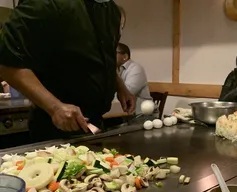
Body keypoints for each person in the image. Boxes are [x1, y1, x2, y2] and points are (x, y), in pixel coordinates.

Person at [0, 0, 135, 142]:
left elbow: (102, 55)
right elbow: (7, 63)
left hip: (94, 122)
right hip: (55, 126)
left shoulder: (110, 10)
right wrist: (55, 107)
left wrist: (120, 86)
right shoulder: (46, 3)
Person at [116, 43, 152, 114]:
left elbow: (126, 94)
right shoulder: (116, 69)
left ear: (125, 56)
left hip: (142, 114)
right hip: (124, 113)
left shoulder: (136, 68)